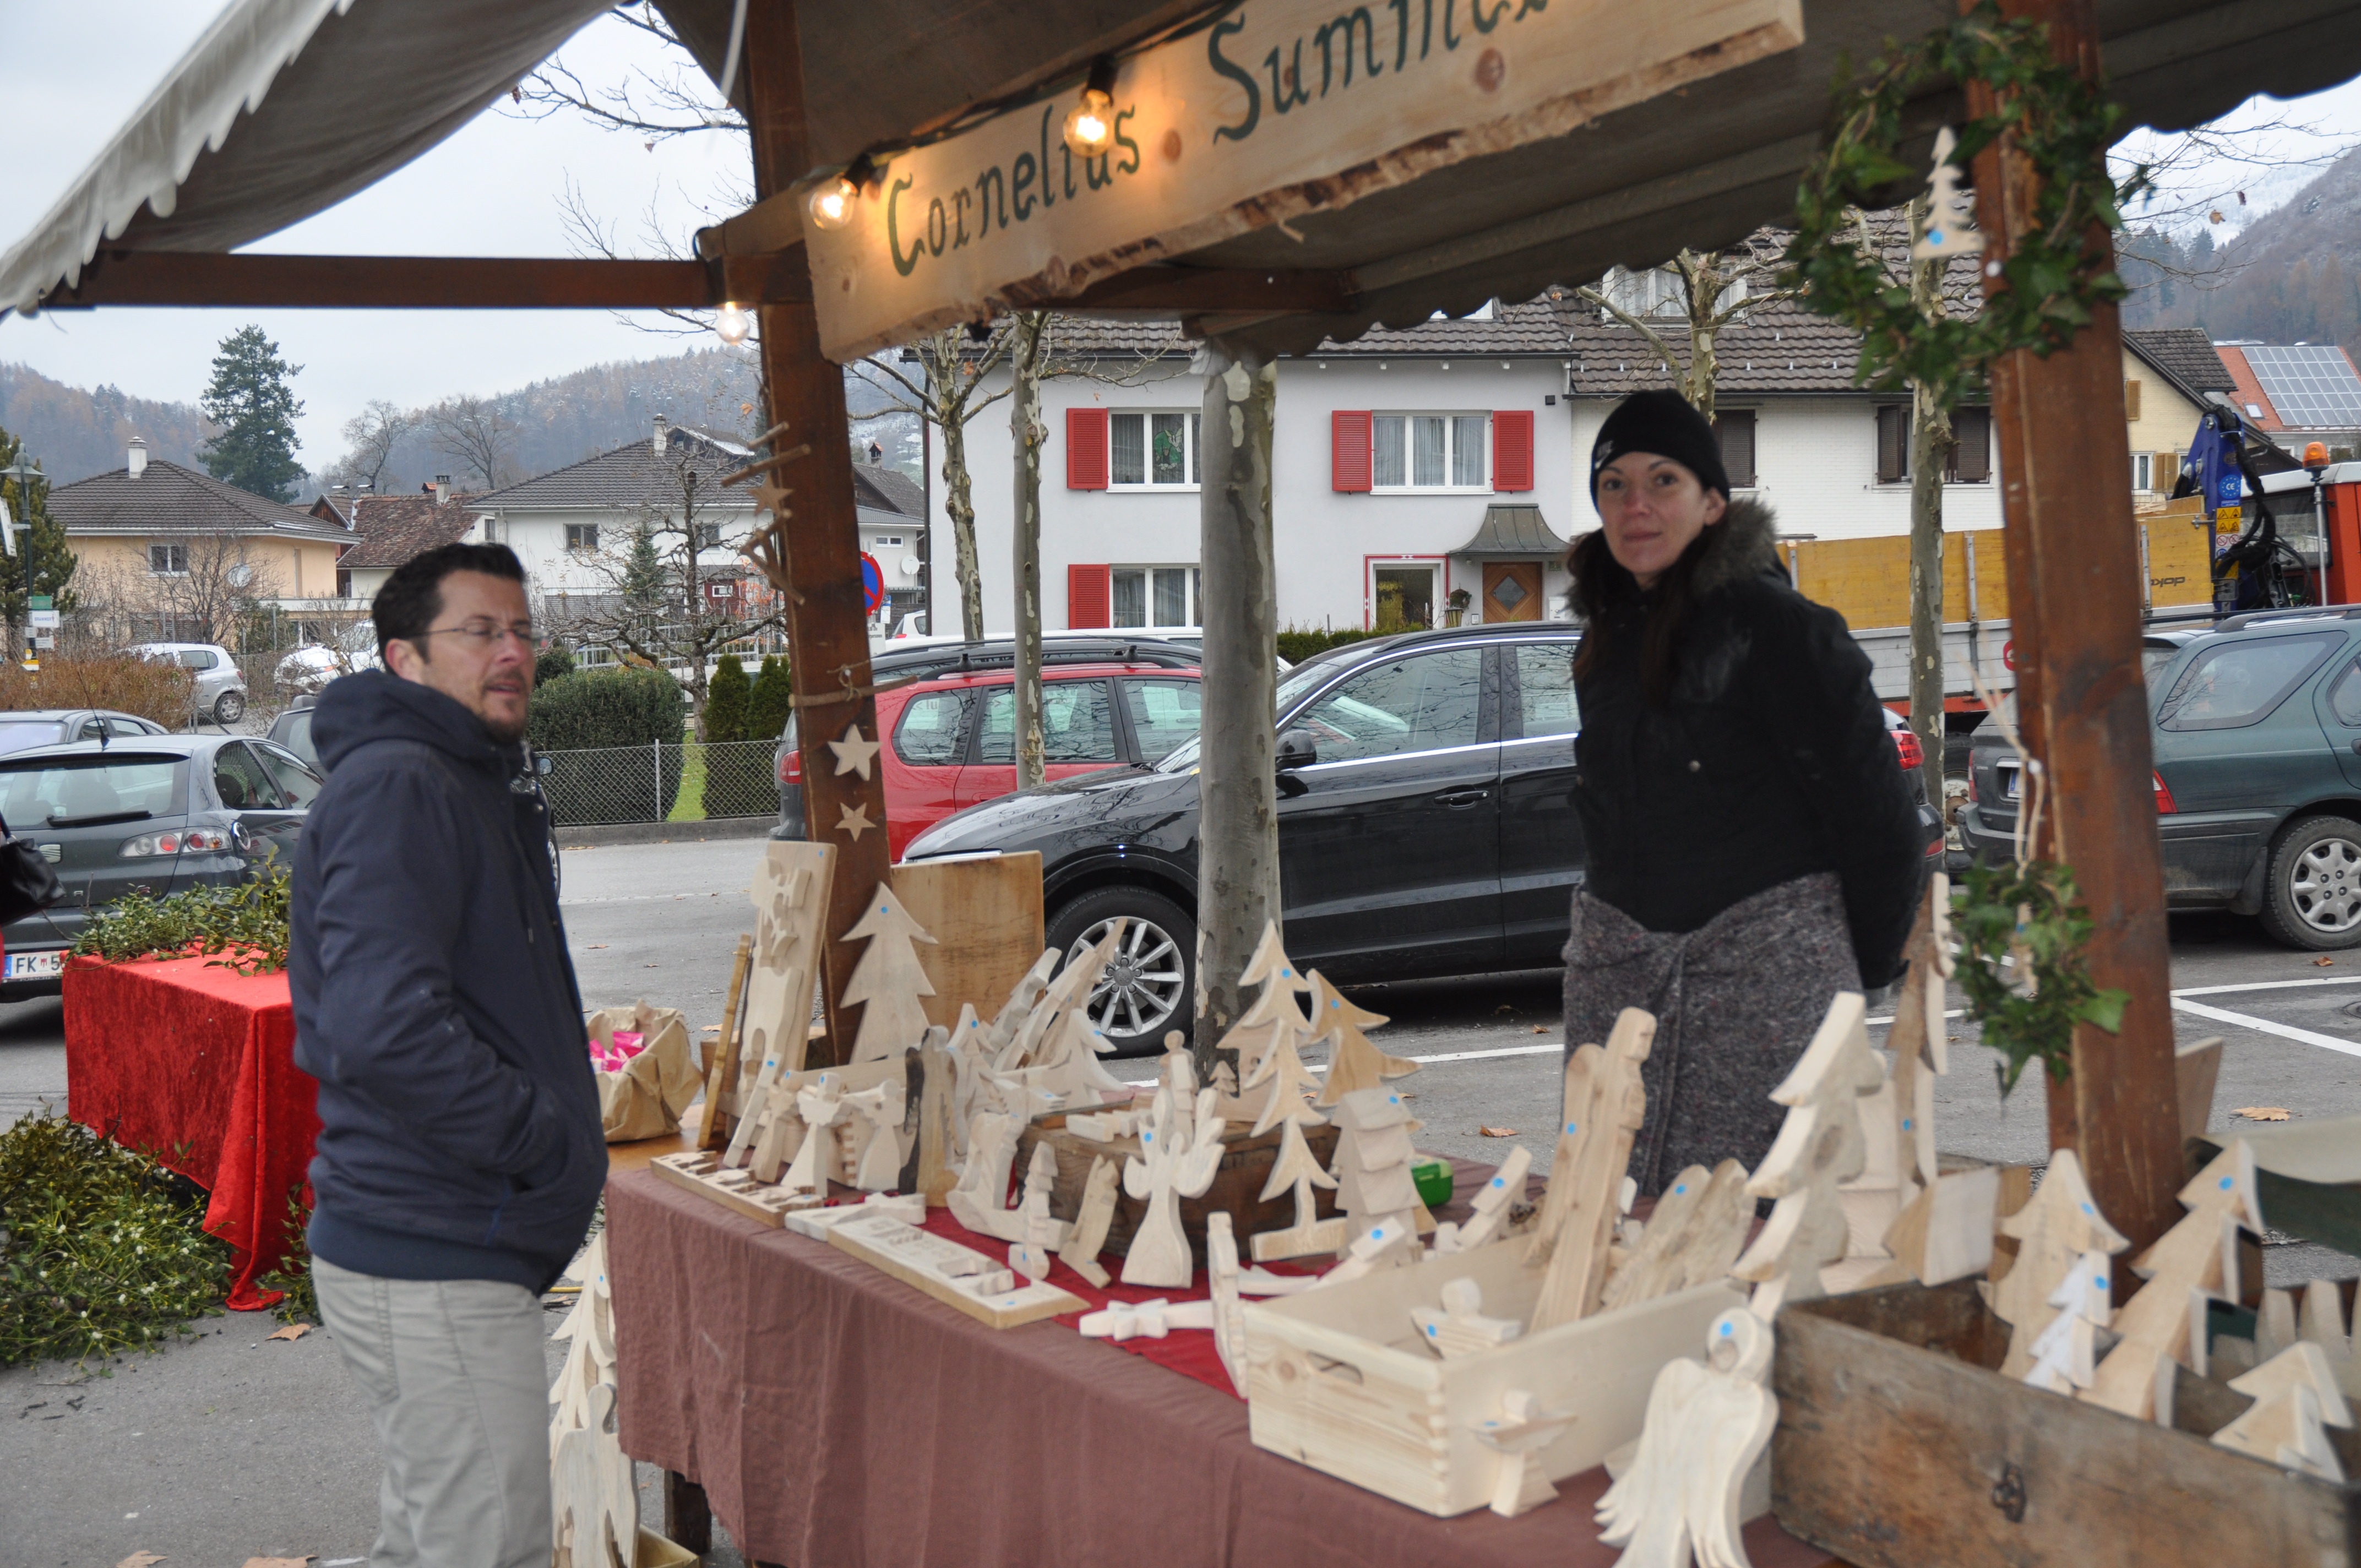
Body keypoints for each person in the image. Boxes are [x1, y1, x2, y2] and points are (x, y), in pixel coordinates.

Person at [291, 542, 603, 1568]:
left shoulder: (460, 776)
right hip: (438, 1245)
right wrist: (538, 1139)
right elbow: (382, 1028)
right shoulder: (403, 786)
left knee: (434, 1545)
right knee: (488, 1550)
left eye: (522, 631)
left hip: (442, 1241)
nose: (513, 653)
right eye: (479, 632)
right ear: (406, 659)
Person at [1561, 390, 1924, 1195]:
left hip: (1765, 1001)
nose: (1636, 506)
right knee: (1617, 1225)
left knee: (1754, 1230)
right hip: (1623, 997)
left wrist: (1847, 975)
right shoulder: (1607, 639)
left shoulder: (1780, 629)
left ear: (1713, 503)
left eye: (1663, 481)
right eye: (1614, 485)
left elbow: (1880, 823)